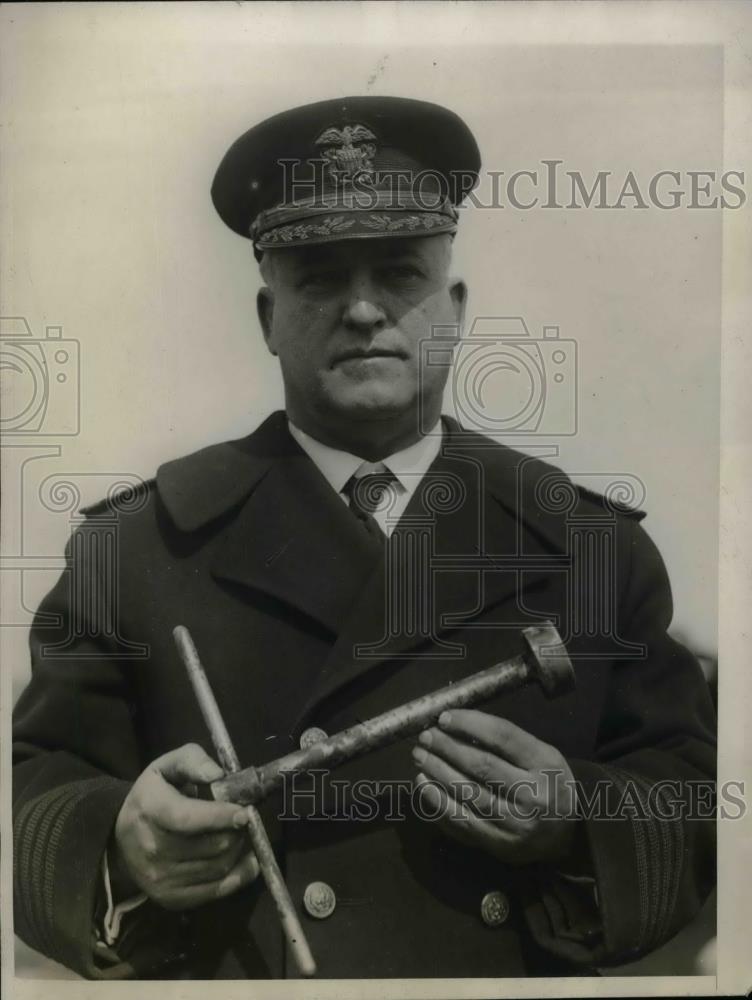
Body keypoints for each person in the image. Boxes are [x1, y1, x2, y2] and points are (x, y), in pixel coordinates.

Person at [12, 96, 716, 980]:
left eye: (398, 273)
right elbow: (33, 786)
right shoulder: (137, 548)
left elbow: (698, 800)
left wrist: (576, 819)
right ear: (267, 317)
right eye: (317, 278)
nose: (361, 310)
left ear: (453, 307)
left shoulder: (592, 551)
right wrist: (121, 840)